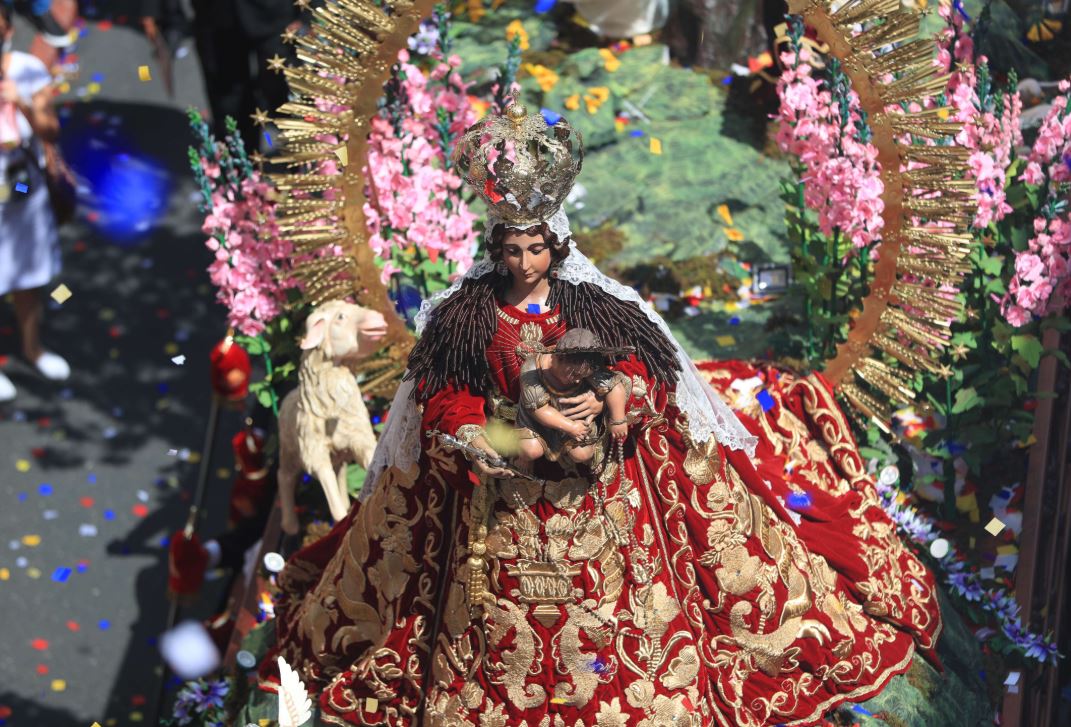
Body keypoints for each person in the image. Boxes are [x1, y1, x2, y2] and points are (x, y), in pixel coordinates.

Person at [257, 103, 943, 725]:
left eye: (535, 248)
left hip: (603, 489)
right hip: (498, 488)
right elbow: (445, 394)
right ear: (495, 249)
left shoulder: (592, 303)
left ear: (555, 246)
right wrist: (482, 434)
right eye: (511, 249)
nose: (524, 262)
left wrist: (609, 398)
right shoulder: (466, 316)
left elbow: (646, 369)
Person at [0, 2, 67, 402]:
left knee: (27, 274)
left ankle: (32, 347)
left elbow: (51, 129)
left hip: (19, 190)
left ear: (8, 31)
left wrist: (20, 100)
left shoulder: (25, 69)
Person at [140, 0, 301, 152]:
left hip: (276, 16)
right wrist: (151, 9)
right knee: (228, 102)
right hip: (214, 18)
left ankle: (300, 160)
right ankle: (242, 169)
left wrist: (310, 10)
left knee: (284, 92)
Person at [515, 327, 632, 466]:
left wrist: (618, 419)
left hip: (574, 416)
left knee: (582, 453)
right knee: (530, 450)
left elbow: (615, 386)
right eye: (575, 375)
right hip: (537, 422)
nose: (578, 380)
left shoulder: (583, 365)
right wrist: (570, 427)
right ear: (559, 358)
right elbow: (539, 410)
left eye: (582, 377)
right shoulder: (532, 369)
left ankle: (568, 453)